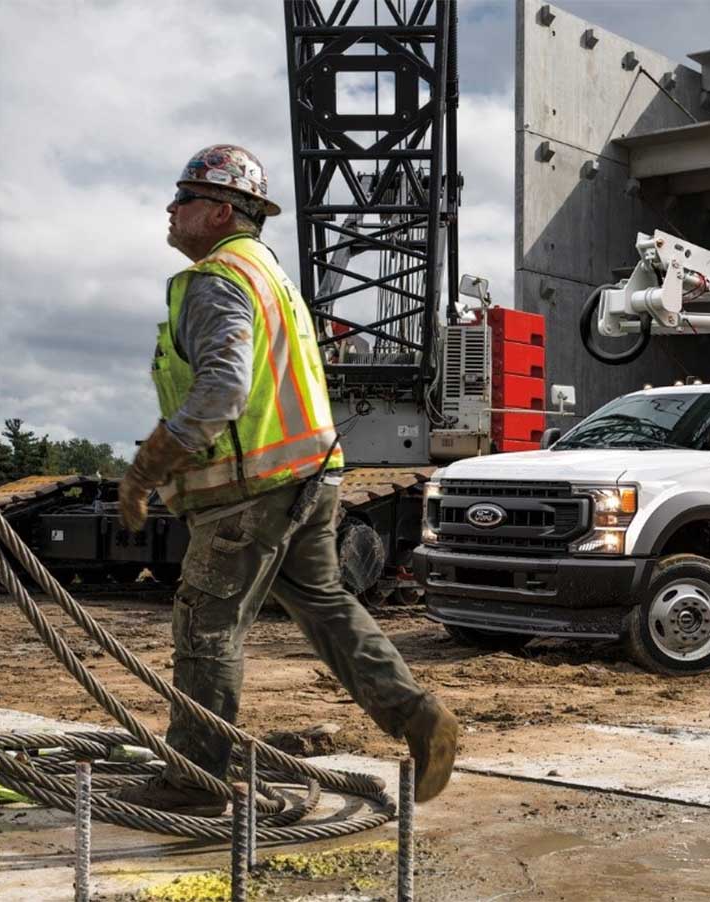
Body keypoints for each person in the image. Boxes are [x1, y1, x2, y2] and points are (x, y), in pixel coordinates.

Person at [113, 145, 457, 816]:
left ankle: (195, 778)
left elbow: (222, 388)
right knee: (326, 607)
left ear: (219, 212)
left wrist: (146, 467)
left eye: (183, 199)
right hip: (309, 476)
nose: (170, 209)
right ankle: (418, 716)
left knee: (207, 624)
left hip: (251, 488)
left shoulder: (216, 278)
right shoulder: (271, 275)